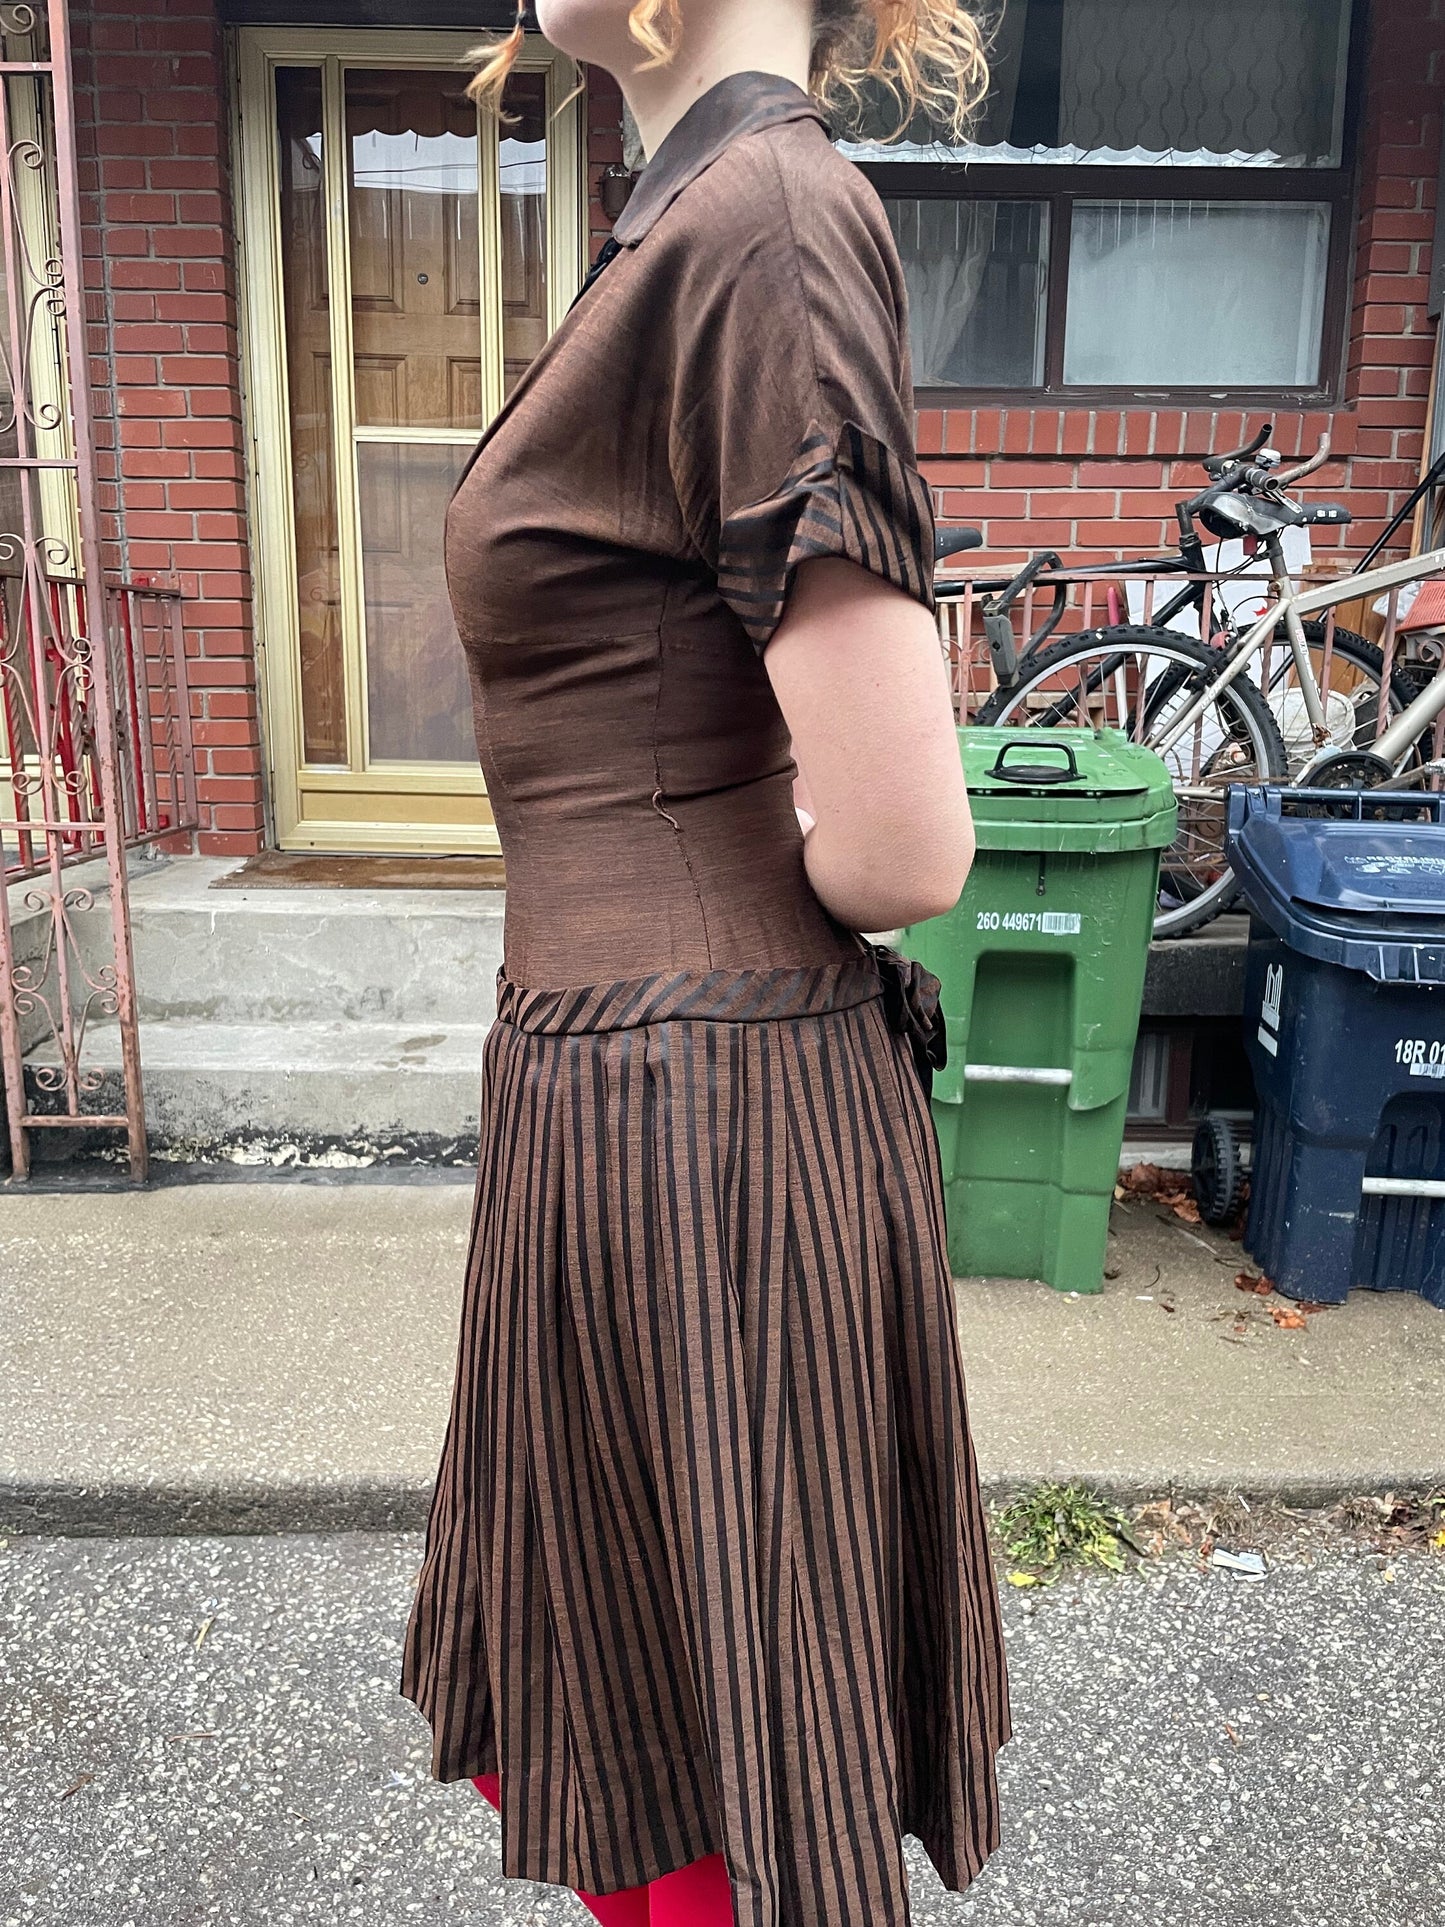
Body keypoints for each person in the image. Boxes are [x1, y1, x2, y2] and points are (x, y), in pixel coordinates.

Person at [400, 2, 1011, 1921]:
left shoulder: (763, 217)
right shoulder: (685, 216)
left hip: (706, 1122)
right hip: (640, 1090)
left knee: (734, 1797)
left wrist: (713, 926)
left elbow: (905, 844)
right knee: (676, 1740)